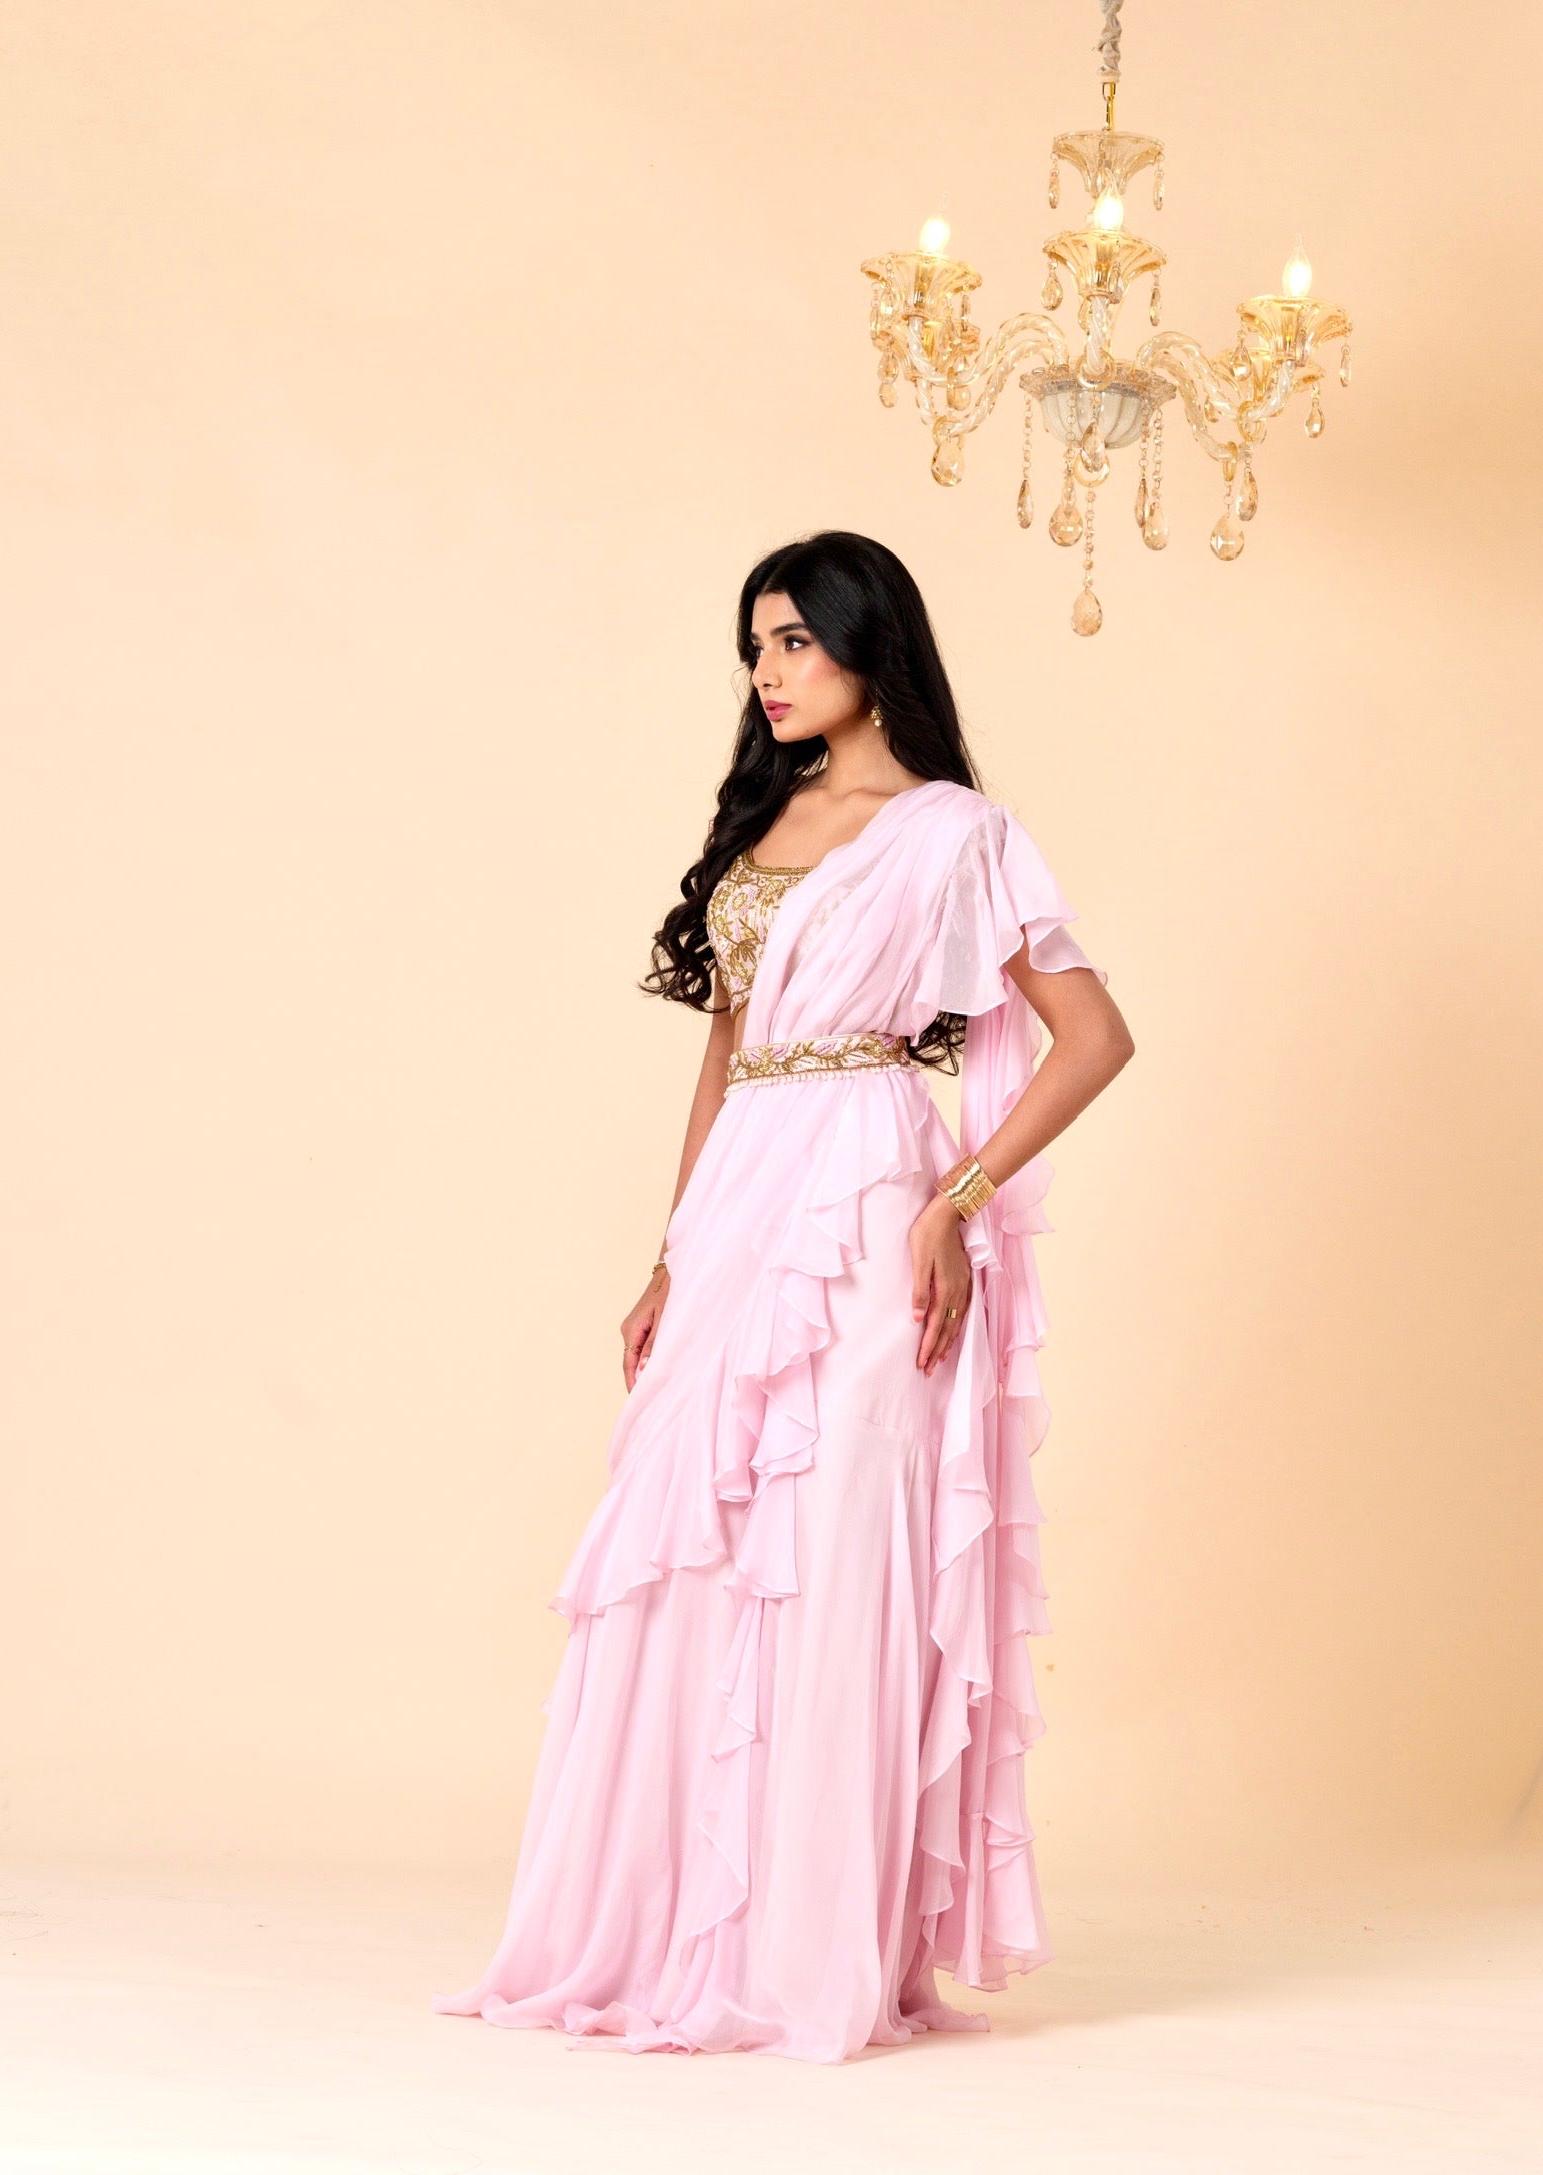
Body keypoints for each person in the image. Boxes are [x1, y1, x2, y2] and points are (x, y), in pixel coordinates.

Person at [433, 530, 1136, 2063]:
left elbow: (1093, 1038)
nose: (764, 675)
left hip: (876, 1193)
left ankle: (812, 1939)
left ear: (868, 648)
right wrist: (673, 1252)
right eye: (753, 648)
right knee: (691, 1537)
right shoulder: (766, 818)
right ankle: (671, 1924)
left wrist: (959, 1200)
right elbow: (729, 1046)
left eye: (792, 644)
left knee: (832, 1543)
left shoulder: (956, 831)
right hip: (748, 1187)